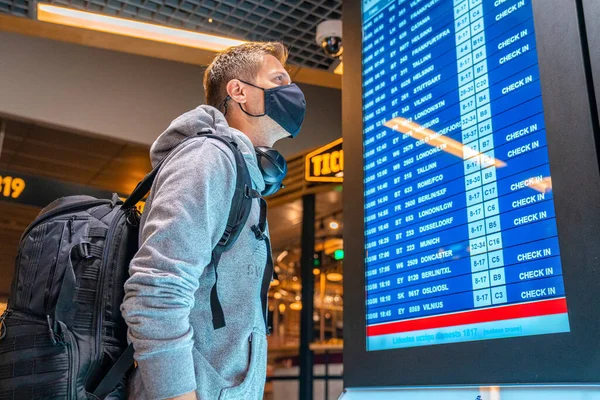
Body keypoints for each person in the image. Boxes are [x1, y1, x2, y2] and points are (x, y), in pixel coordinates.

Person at [121, 42, 306, 400]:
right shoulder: (209, 159)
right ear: (239, 91)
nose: (293, 92)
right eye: (279, 79)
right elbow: (156, 292)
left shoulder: (242, 176)